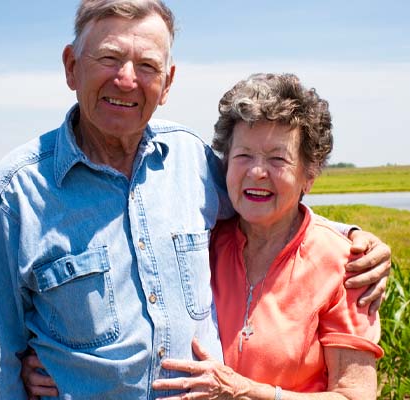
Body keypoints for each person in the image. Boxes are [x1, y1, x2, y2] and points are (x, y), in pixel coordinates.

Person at [0, 1, 390, 398]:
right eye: (109, 59)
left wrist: (351, 239)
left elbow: (268, 206)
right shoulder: (16, 191)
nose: (127, 79)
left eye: (147, 66)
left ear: (167, 83)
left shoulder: (191, 161)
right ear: (71, 67)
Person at [150, 73, 383, 399]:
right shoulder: (203, 243)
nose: (257, 172)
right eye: (243, 156)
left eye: (278, 159)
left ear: (309, 175)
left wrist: (251, 392)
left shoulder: (346, 265)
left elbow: (355, 395)